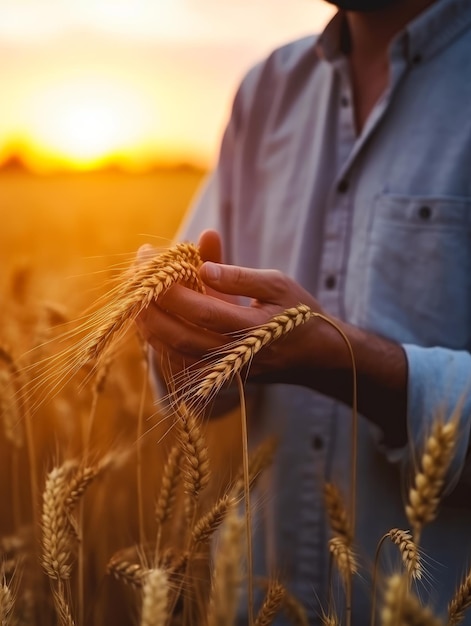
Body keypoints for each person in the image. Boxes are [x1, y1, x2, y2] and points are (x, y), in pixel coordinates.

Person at [137, 0, 471, 623]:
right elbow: (201, 392)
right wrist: (181, 338)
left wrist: (345, 361)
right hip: (258, 599)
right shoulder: (265, 91)